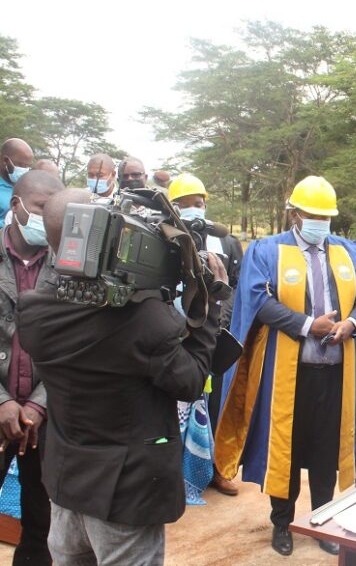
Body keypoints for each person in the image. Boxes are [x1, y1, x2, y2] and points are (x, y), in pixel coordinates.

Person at [17, 187, 226, 566]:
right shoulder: (143, 321)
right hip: (125, 498)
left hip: (66, 486)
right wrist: (211, 306)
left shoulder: (34, 311)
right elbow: (191, 381)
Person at [214, 175, 356, 557]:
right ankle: (282, 523)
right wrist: (307, 326)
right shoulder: (268, 251)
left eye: (326, 215)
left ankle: (322, 521)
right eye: (313, 214)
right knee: (283, 449)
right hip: (286, 373)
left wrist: (351, 323)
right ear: (295, 213)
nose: (321, 221)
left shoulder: (351, 252)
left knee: (326, 452)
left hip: (337, 371)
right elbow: (257, 300)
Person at [167, 173, 244, 497]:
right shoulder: (164, 235)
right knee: (169, 404)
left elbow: (236, 286)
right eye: (186, 206)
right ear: (173, 208)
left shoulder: (225, 242)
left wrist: (220, 320)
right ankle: (169, 475)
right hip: (170, 333)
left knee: (212, 404)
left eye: (198, 203)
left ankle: (212, 469)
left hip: (213, 333)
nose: (194, 210)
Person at [0, 170, 63, 565]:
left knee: (43, 521)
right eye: (42, 210)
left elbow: (76, 347)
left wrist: (38, 405)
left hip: (46, 418)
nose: (50, 221)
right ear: (16, 205)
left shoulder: (72, 267)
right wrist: (3, 402)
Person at [0, 139, 34, 217]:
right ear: (5, 160)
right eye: (21, 165)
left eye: (28, 166)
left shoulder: (27, 188)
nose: (24, 170)